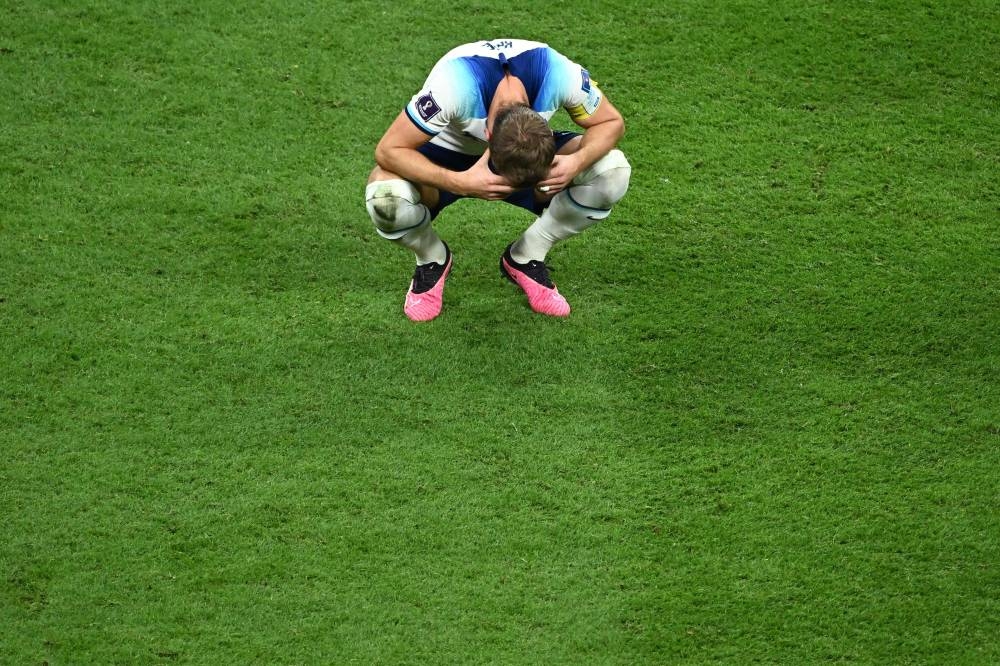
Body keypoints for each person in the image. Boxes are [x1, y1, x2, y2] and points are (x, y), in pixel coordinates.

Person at [365, 39, 631, 321]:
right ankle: (432, 258)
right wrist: (458, 182)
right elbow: (388, 150)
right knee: (385, 197)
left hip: (529, 153)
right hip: (444, 156)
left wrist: (576, 161)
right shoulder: (453, 88)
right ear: (487, 136)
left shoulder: (559, 74)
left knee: (612, 172)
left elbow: (611, 122)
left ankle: (526, 256)